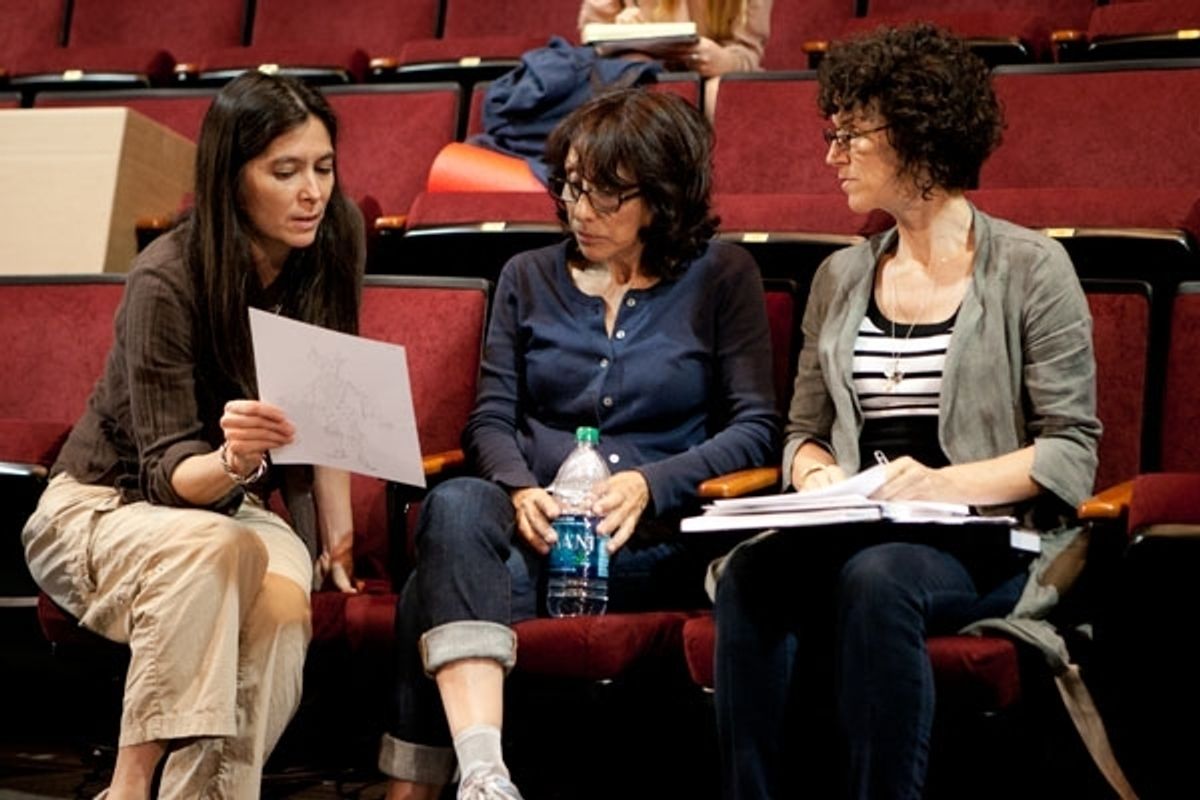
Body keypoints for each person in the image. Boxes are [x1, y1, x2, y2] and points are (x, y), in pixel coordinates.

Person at [711, 23, 1101, 800]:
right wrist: (817, 474)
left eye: (850, 135)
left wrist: (944, 485)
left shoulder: (1031, 267)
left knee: (880, 578)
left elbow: (1071, 451)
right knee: (753, 572)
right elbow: (803, 433)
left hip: (990, 536)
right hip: (860, 524)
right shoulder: (841, 274)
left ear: (918, 137)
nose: (832, 155)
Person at [378, 88, 779, 800]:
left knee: (427, 589)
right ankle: (484, 773)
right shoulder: (527, 277)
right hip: (533, 533)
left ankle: (421, 788)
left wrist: (653, 483)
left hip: (646, 544)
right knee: (458, 505)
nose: (579, 212)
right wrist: (519, 487)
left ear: (661, 197)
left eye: (605, 197)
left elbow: (754, 430)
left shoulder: (722, 278)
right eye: (570, 189)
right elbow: (491, 420)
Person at [21, 71, 365, 800]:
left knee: (278, 597)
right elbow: (168, 475)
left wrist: (335, 543)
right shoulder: (165, 279)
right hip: (102, 507)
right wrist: (237, 458)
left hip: (227, 512)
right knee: (214, 549)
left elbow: (328, 390)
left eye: (323, 168)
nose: (313, 192)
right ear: (231, 177)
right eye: (285, 172)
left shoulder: (333, 238)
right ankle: (129, 781)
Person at [578, 0, 772, 109]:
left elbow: (749, 49)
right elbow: (591, 35)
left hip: (712, 75)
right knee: (637, 74)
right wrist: (622, 30)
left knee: (719, 92)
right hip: (643, 69)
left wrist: (725, 61)